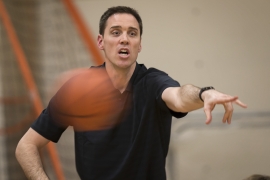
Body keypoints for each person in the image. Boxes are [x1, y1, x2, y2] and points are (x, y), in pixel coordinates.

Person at [15, 6, 247, 180]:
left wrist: (204, 93)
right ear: (101, 41)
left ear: (139, 44)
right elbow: (26, 146)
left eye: (132, 33)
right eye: (115, 32)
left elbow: (179, 96)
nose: (124, 38)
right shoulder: (79, 89)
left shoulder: (154, 81)